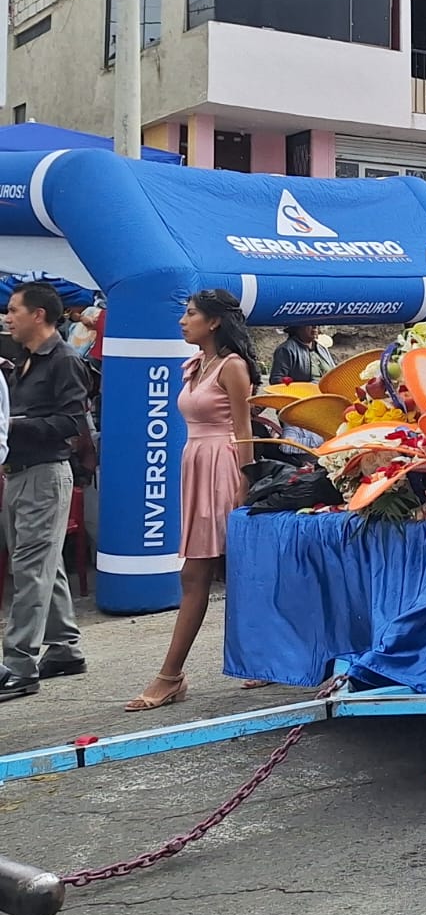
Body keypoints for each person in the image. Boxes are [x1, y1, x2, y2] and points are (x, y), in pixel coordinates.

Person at [126, 290, 260, 712]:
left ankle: (170, 675)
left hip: (222, 467)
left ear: (214, 321)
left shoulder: (232, 366)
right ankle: (264, 659)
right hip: (197, 465)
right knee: (229, 571)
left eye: (190, 314)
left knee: (199, 572)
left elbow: (244, 431)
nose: (183, 321)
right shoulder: (196, 364)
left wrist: (245, 484)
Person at [0, 282, 89, 700]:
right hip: (19, 473)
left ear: (39, 315)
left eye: (13, 310)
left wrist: (13, 426)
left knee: (30, 568)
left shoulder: (64, 360)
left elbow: (72, 423)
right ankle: (65, 648)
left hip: (46, 474)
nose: (7, 317)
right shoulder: (22, 360)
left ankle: (19, 665)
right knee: (42, 563)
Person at [269, 324, 334, 386]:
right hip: (305, 393)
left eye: (316, 323)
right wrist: (298, 387)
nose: (315, 326)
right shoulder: (286, 350)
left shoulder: (322, 349)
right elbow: (277, 380)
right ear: (298, 328)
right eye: (309, 323)